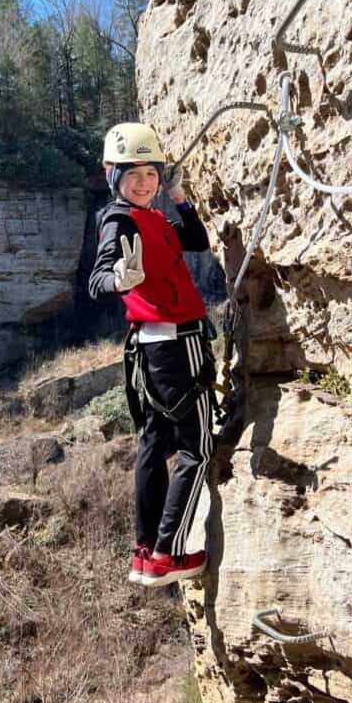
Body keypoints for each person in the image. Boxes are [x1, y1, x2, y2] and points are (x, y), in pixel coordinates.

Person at [89, 122, 216, 588]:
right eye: (132, 174)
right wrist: (118, 279)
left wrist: (180, 199)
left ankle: (145, 552)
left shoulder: (155, 218)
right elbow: (97, 279)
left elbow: (197, 242)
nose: (143, 182)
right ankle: (168, 553)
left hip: (153, 348)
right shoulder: (118, 220)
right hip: (175, 346)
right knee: (197, 449)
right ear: (111, 175)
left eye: (150, 173)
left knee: (152, 444)